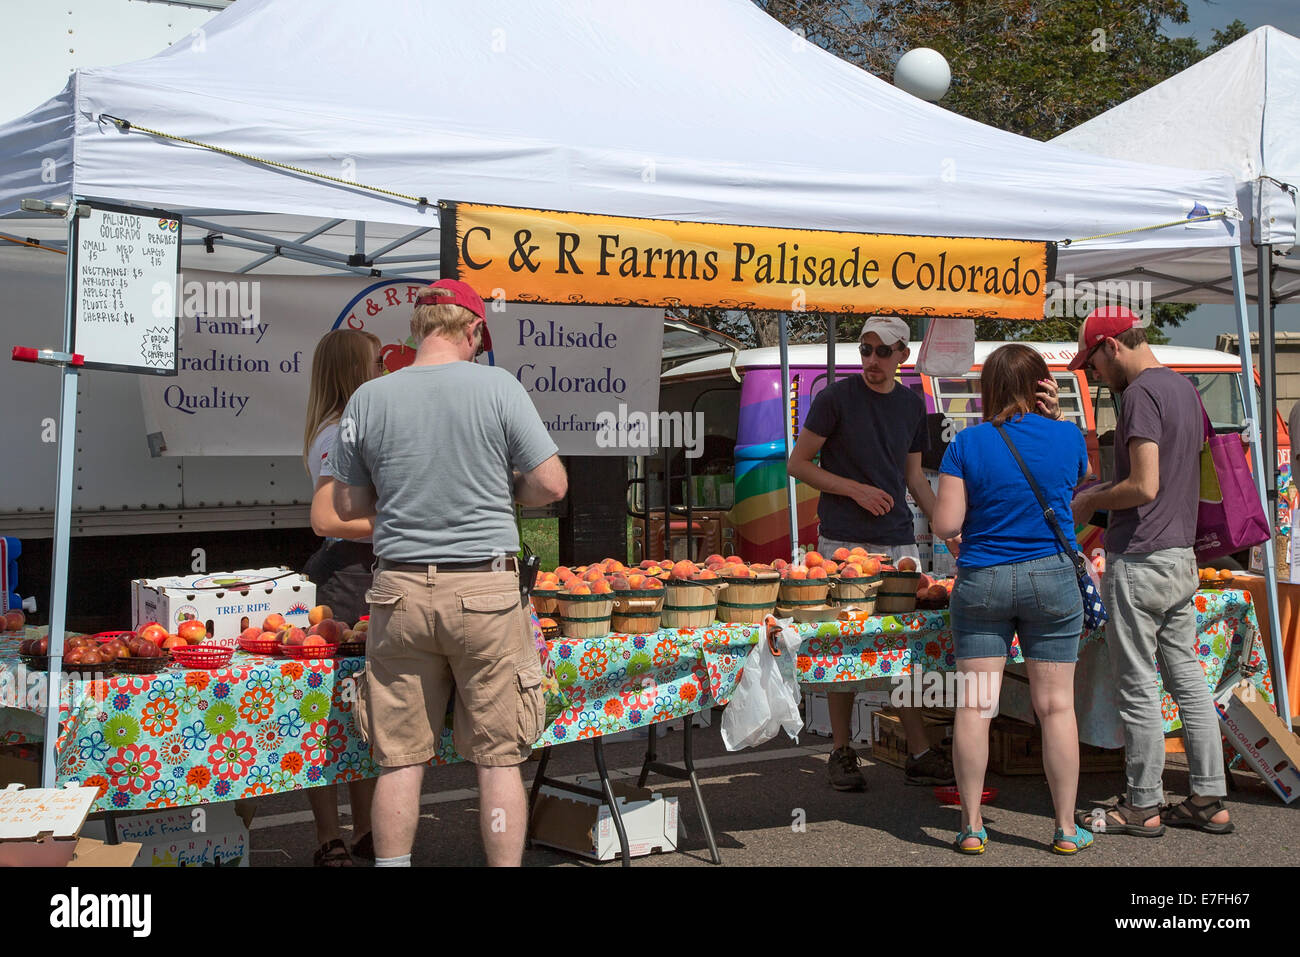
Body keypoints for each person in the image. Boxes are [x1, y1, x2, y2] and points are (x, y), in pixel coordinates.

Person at [330, 279, 568, 867]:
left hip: (399, 591)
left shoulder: (369, 398)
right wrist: (500, 488)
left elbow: (345, 506)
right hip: (485, 590)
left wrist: (410, 496)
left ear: (417, 330)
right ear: (473, 332)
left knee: (399, 757)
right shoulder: (500, 388)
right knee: (497, 755)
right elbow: (552, 484)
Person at [1069, 306, 1233, 837]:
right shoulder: (1185, 389)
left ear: (1112, 346)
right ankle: (1210, 796)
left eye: (1092, 362)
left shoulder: (1139, 394)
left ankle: (1142, 804)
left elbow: (1143, 485)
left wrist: (1090, 498)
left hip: (1140, 555)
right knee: (1188, 679)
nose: (1093, 374)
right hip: (1181, 554)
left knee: (1138, 683)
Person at [931, 343, 1093, 855]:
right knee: (1056, 707)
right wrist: (1059, 416)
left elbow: (946, 525)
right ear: (1042, 384)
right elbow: (1082, 478)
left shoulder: (966, 443)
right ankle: (1066, 829)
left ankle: (973, 826)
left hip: (983, 580)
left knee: (976, 706)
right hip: (1052, 580)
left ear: (988, 390)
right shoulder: (1069, 439)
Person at [787, 315, 955, 790]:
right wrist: (855, 490)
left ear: (903, 355)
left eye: (883, 352)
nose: (873, 361)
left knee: (902, 648)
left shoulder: (911, 403)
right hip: (841, 543)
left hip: (899, 541)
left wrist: (948, 529)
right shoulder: (834, 398)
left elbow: (915, 478)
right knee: (845, 650)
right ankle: (840, 751)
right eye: (865, 350)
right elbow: (798, 463)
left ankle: (918, 750)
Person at [300, 327, 383, 866]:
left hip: (357, 570)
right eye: (375, 363)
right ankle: (332, 838)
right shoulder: (338, 434)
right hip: (346, 573)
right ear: (355, 372)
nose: (382, 372)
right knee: (333, 708)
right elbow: (331, 518)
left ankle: (364, 832)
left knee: (361, 708)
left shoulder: (345, 429)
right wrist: (398, 524)